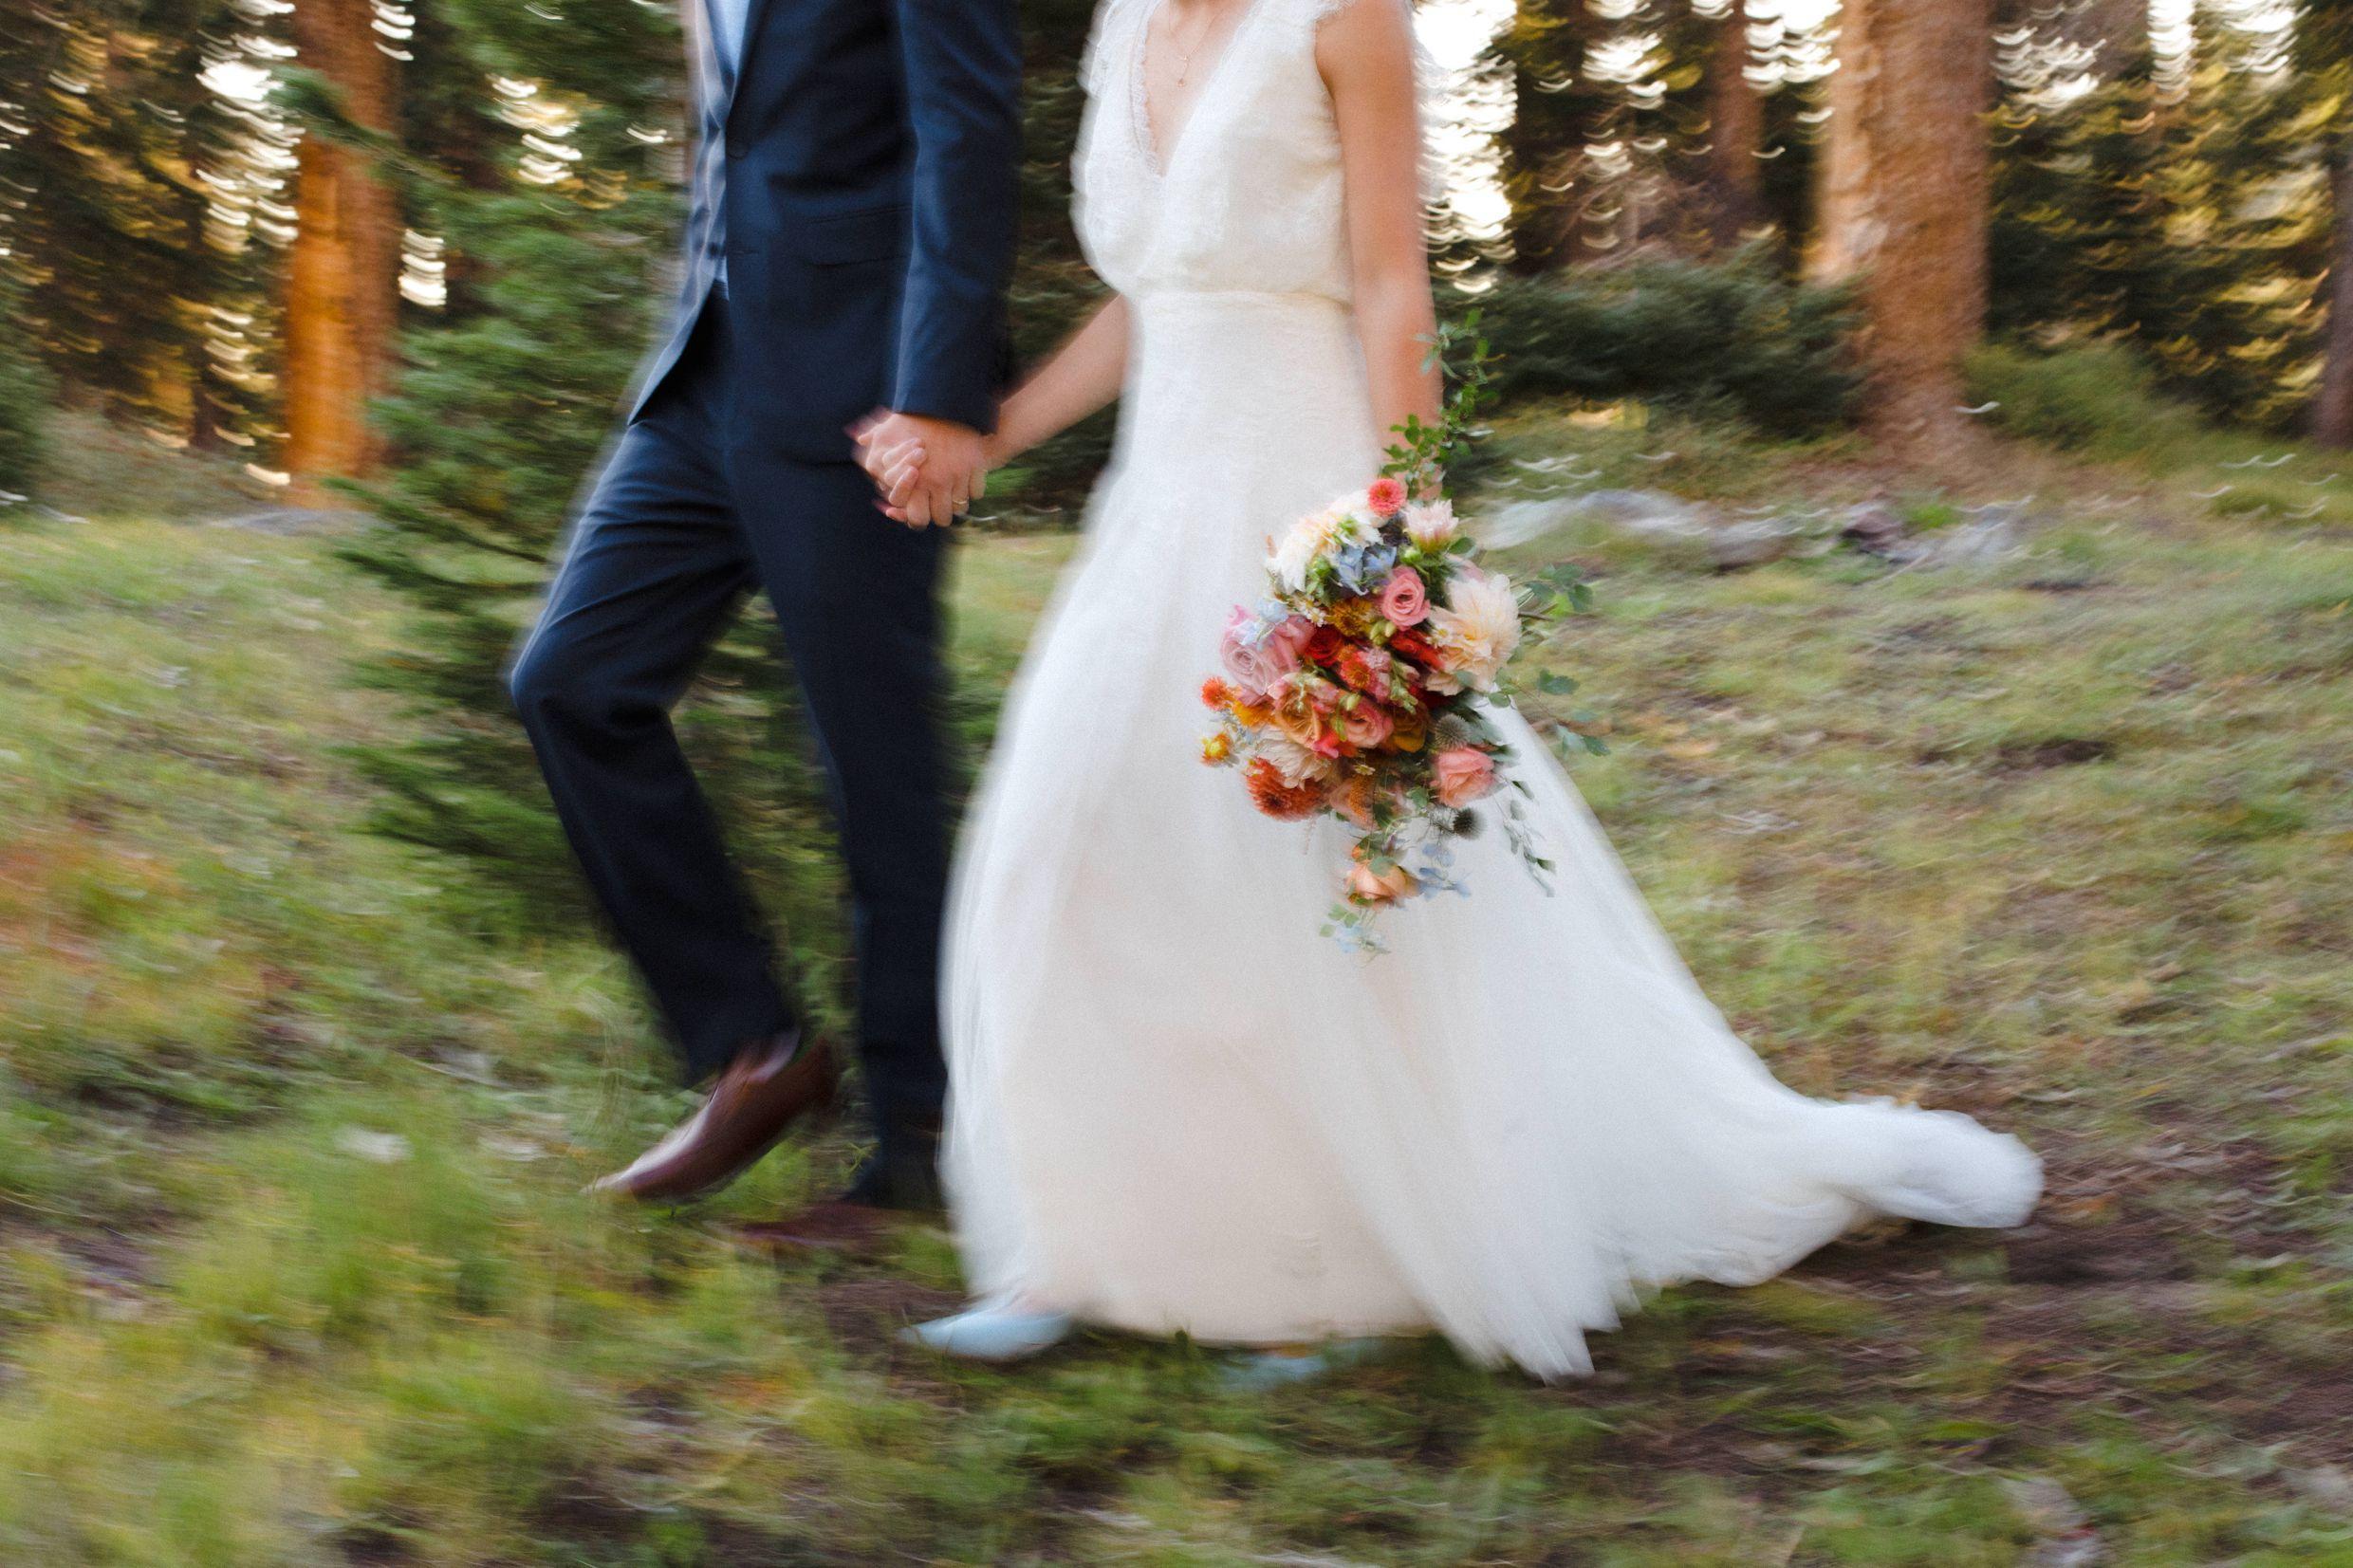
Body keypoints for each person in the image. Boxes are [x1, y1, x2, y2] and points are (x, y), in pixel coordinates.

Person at [861, 0, 2043, 1378]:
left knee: (1324, 877)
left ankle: (1346, 1270)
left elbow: (1387, 284)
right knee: (1069, 844)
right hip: (1152, 515)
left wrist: (1402, 536)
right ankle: (1076, 1248)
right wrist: (987, 435)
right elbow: (1156, 295)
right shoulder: (1125, 27)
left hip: (1305, 507)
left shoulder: (1339, 17)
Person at [507, 0, 1020, 1219]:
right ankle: (757, 1049)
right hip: (701, 377)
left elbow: (965, 126)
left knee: (873, 762)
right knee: (570, 682)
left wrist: (938, 391)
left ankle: (918, 1138)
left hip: (862, 393)